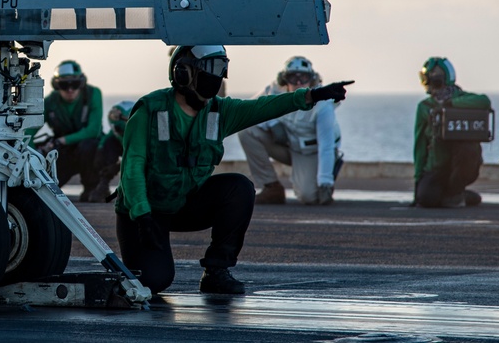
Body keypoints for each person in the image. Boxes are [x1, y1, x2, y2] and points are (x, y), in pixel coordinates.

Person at [115, 45, 352, 296]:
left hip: (184, 204)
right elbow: (132, 168)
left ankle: (216, 271)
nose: (216, 76)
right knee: (153, 281)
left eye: (220, 69)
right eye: (210, 68)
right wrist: (141, 214)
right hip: (144, 213)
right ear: (182, 73)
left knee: (239, 188)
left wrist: (313, 95)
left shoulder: (219, 111)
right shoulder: (150, 109)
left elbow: (265, 106)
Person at [239, 56, 343, 206]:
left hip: (312, 152)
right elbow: (250, 110)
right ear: (284, 79)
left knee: (309, 198)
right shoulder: (273, 91)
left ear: (312, 79)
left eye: (304, 78)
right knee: (247, 130)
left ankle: (325, 176)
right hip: (289, 145)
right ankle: (271, 186)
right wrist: (273, 123)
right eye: (293, 78)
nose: (299, 83)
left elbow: (326, 145)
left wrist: (325, 181)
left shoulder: (323, 104)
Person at [413, 57, 491, 208]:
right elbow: (420, 144)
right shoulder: (425, 107)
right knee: (426, 199)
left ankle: (455, 193)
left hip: (461, 165)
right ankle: (457, 195)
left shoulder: (463, 99)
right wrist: (418, 180)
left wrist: (450, 104)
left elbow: (484, 101)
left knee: (468, 148)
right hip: (436, 168)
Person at [35, 60, 105, 202]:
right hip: (64, 151)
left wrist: (62, 140)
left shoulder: (93, 94)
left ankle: (92, 187)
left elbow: (93, 131)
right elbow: (30, 131)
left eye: (75, 84)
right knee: (48, 189)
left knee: (88, 146)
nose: (70, 90)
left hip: (89, 150)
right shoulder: (49, 102)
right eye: (64, 85)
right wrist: (33, 154)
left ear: (81, 83)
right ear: (56, 85)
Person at [81, 100, 135, 203]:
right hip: (120, 146)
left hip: (136, 155)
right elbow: (104, 142)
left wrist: (119, 165)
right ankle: (102, 185)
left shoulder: (144, 135)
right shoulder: (113, 135)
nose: (115, 117)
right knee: (105, 148)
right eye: (114, 115)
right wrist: (100, 155)